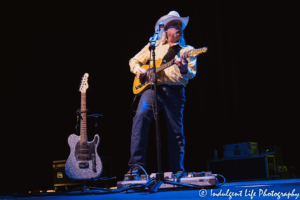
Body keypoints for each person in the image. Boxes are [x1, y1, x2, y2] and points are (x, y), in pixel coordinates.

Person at [128, 11, 197, 175]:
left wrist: (183, 68)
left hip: (174, 91)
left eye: (181, 25)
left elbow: (191, 73)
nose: (179, 28)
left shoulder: (187, 50)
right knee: (140, 119)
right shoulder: (155, 46)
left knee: (175, 131)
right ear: (165, 29)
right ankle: (136, 166)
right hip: (152, 90)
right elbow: (134, 60)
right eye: (175, 25)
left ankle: (177, 169)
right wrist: (138, 70)